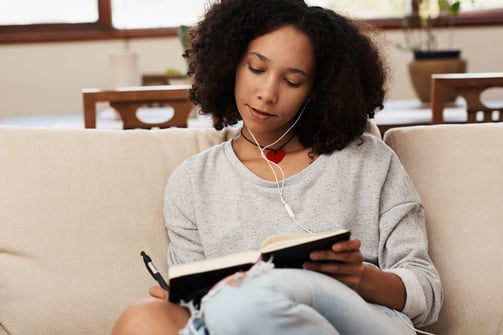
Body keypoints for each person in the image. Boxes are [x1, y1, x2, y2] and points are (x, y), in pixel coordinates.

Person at [112, 0, 443, 334]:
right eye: (256, 69)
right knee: (143, 319)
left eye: (293, 81)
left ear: (318, 91)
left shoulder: (368, 161)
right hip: (238, 323)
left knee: (252, 295)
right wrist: (183, 301)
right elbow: (196, 301)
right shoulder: (192, 181)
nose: (267, 93)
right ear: (231, 65)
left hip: (359, 320)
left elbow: (426, 293)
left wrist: (361, 278)